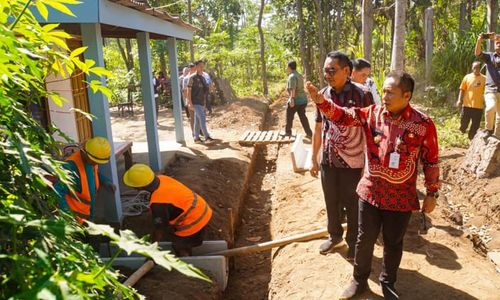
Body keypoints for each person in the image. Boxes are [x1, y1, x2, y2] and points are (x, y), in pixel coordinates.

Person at [307, 71, 440, 299]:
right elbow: (342, 116)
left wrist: (432, 193)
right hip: (370, 192)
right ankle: (359, 280)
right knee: (364, 239)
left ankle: (388, 283)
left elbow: (431, 160)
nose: (384, 96)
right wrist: (321, 102)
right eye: (384, 91)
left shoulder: (423, 124)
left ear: (406, 95)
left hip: (400, 197)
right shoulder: (372, 114)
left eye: (391, 92)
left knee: (393, 242)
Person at [309, 51, 373, 258]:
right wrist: (314, 158)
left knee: (353, 204)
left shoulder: (363, 95)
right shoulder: (322, 95)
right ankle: (334, 236)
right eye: (325, 70)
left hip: (353, 162)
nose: (327, 74)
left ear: (347, 71)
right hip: (328, 160)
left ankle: (353, 242)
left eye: (332, 70)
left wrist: (368, 163)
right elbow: (318, 128)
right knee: (331, 201)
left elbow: (369, 130)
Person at [123, 164, 212, 256]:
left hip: (194, 220)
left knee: (179, 246)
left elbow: (160, 228)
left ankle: (187, 262)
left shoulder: (158, 203)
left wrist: (153, 247)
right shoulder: (162, 178)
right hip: (202, 208)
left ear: (139, 187)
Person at [55, 136, 116, 223]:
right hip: (74, 217)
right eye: (94, 161)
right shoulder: (70, 166)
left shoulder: (91, 160)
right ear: (85, 153)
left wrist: (105, 181)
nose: (95, 163)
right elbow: (58, 191)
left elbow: (94, 174)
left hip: (88, 214)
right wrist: (67, 214)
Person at [475, 32, 500, 137]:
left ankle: (497, 135)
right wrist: (479, 40)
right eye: (497, 43)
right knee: (490, 108)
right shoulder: (489, 56)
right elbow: (477, 53)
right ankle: (488, 129)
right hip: (490, 90)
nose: (498, 44)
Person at [456, 61, 486, 139]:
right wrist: (459, 100)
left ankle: (471, 138)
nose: (476, 69)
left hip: (478, 106)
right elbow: (462, 89)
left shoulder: (484, 79)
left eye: (478, 67)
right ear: (472, 68)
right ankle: (461, 135)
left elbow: (487, 92)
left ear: (480, 68)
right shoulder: (467, 77)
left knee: (475, 125)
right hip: (467, 105)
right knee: (464, 123)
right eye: (474, 68)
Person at [284, 61, 313, 138]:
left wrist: (292, 99)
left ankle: (288, 132)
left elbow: (293, 89)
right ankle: (309, 133)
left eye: (287, 67)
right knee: (303, 117)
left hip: (296, 100)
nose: (287, 69)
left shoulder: (292, 76)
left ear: (289, 67)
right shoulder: (299, 75)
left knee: (289, 116)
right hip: (303, 100)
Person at [187, 60, 214, 143]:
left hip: (202, 102)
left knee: (197, 120)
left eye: (203, 66)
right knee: (202, 118)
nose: (202, 68)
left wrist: (205, 103)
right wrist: (190, 102)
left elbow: (206, 91)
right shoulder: (192, 77)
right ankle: (207, 136)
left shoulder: (203, 77)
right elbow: (189, 91)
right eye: (200, 66)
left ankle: (196, 138)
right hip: (195, 102)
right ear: (196, 67)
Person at [183, 63, 197, 135]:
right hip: (190, 100)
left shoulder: (197, 77)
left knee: (199, 116)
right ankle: (194, 133)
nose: (195, 69)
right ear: (191, 69)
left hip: (198, 100)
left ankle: (199, 131)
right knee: (192, 117)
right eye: (194, 68)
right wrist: (188, 101)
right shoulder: (186, 79)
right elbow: (185, 91)